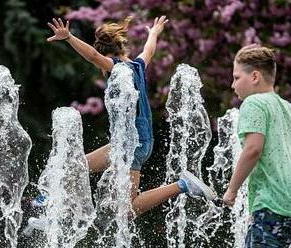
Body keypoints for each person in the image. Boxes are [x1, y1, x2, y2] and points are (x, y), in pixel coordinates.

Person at [45, 16, 216, 217]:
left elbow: (92, 55)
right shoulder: (137, 66)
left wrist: (69, 37)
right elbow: (149, 50)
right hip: (130, 142)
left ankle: (182, 185)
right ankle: (55, 213)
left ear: (105, 56)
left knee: (126, 209)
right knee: (73, 167)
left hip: (131, 145)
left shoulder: (117, 68)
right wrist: (154, 33)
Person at [223, 45, 291, 247]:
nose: (232, 85)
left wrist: (232, 190)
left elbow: (253, 149)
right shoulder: (286, 107)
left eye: (236, 78)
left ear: (254, 77)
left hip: (270, 203)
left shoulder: (254, 103)